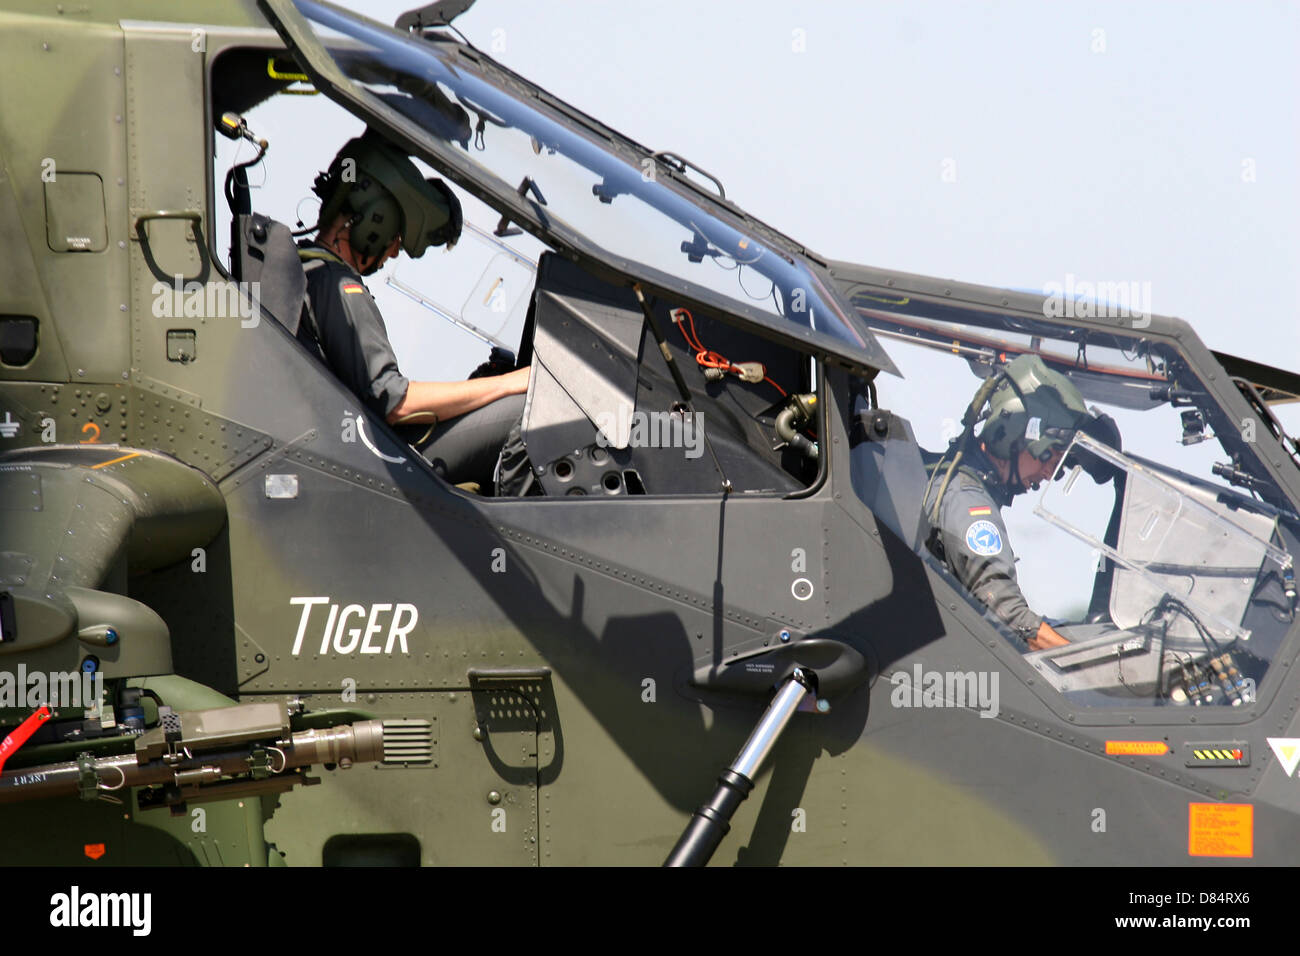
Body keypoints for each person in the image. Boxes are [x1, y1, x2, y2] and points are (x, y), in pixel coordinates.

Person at [297, 131, 530, 488]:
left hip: (357, 452)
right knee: (529, 411)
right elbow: (396, 403)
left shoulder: (307, 271)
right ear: (375, 221)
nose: (392, 253)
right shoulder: (338, 284)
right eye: (396, 241)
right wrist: (509, 384)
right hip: (384, 462)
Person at [923, 354, 1119, 652]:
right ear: (1015, 434)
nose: (1050, 473)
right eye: (1052, 456)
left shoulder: (964, 487)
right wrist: (1087, 669)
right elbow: (1013, 618)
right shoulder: (969, 503)